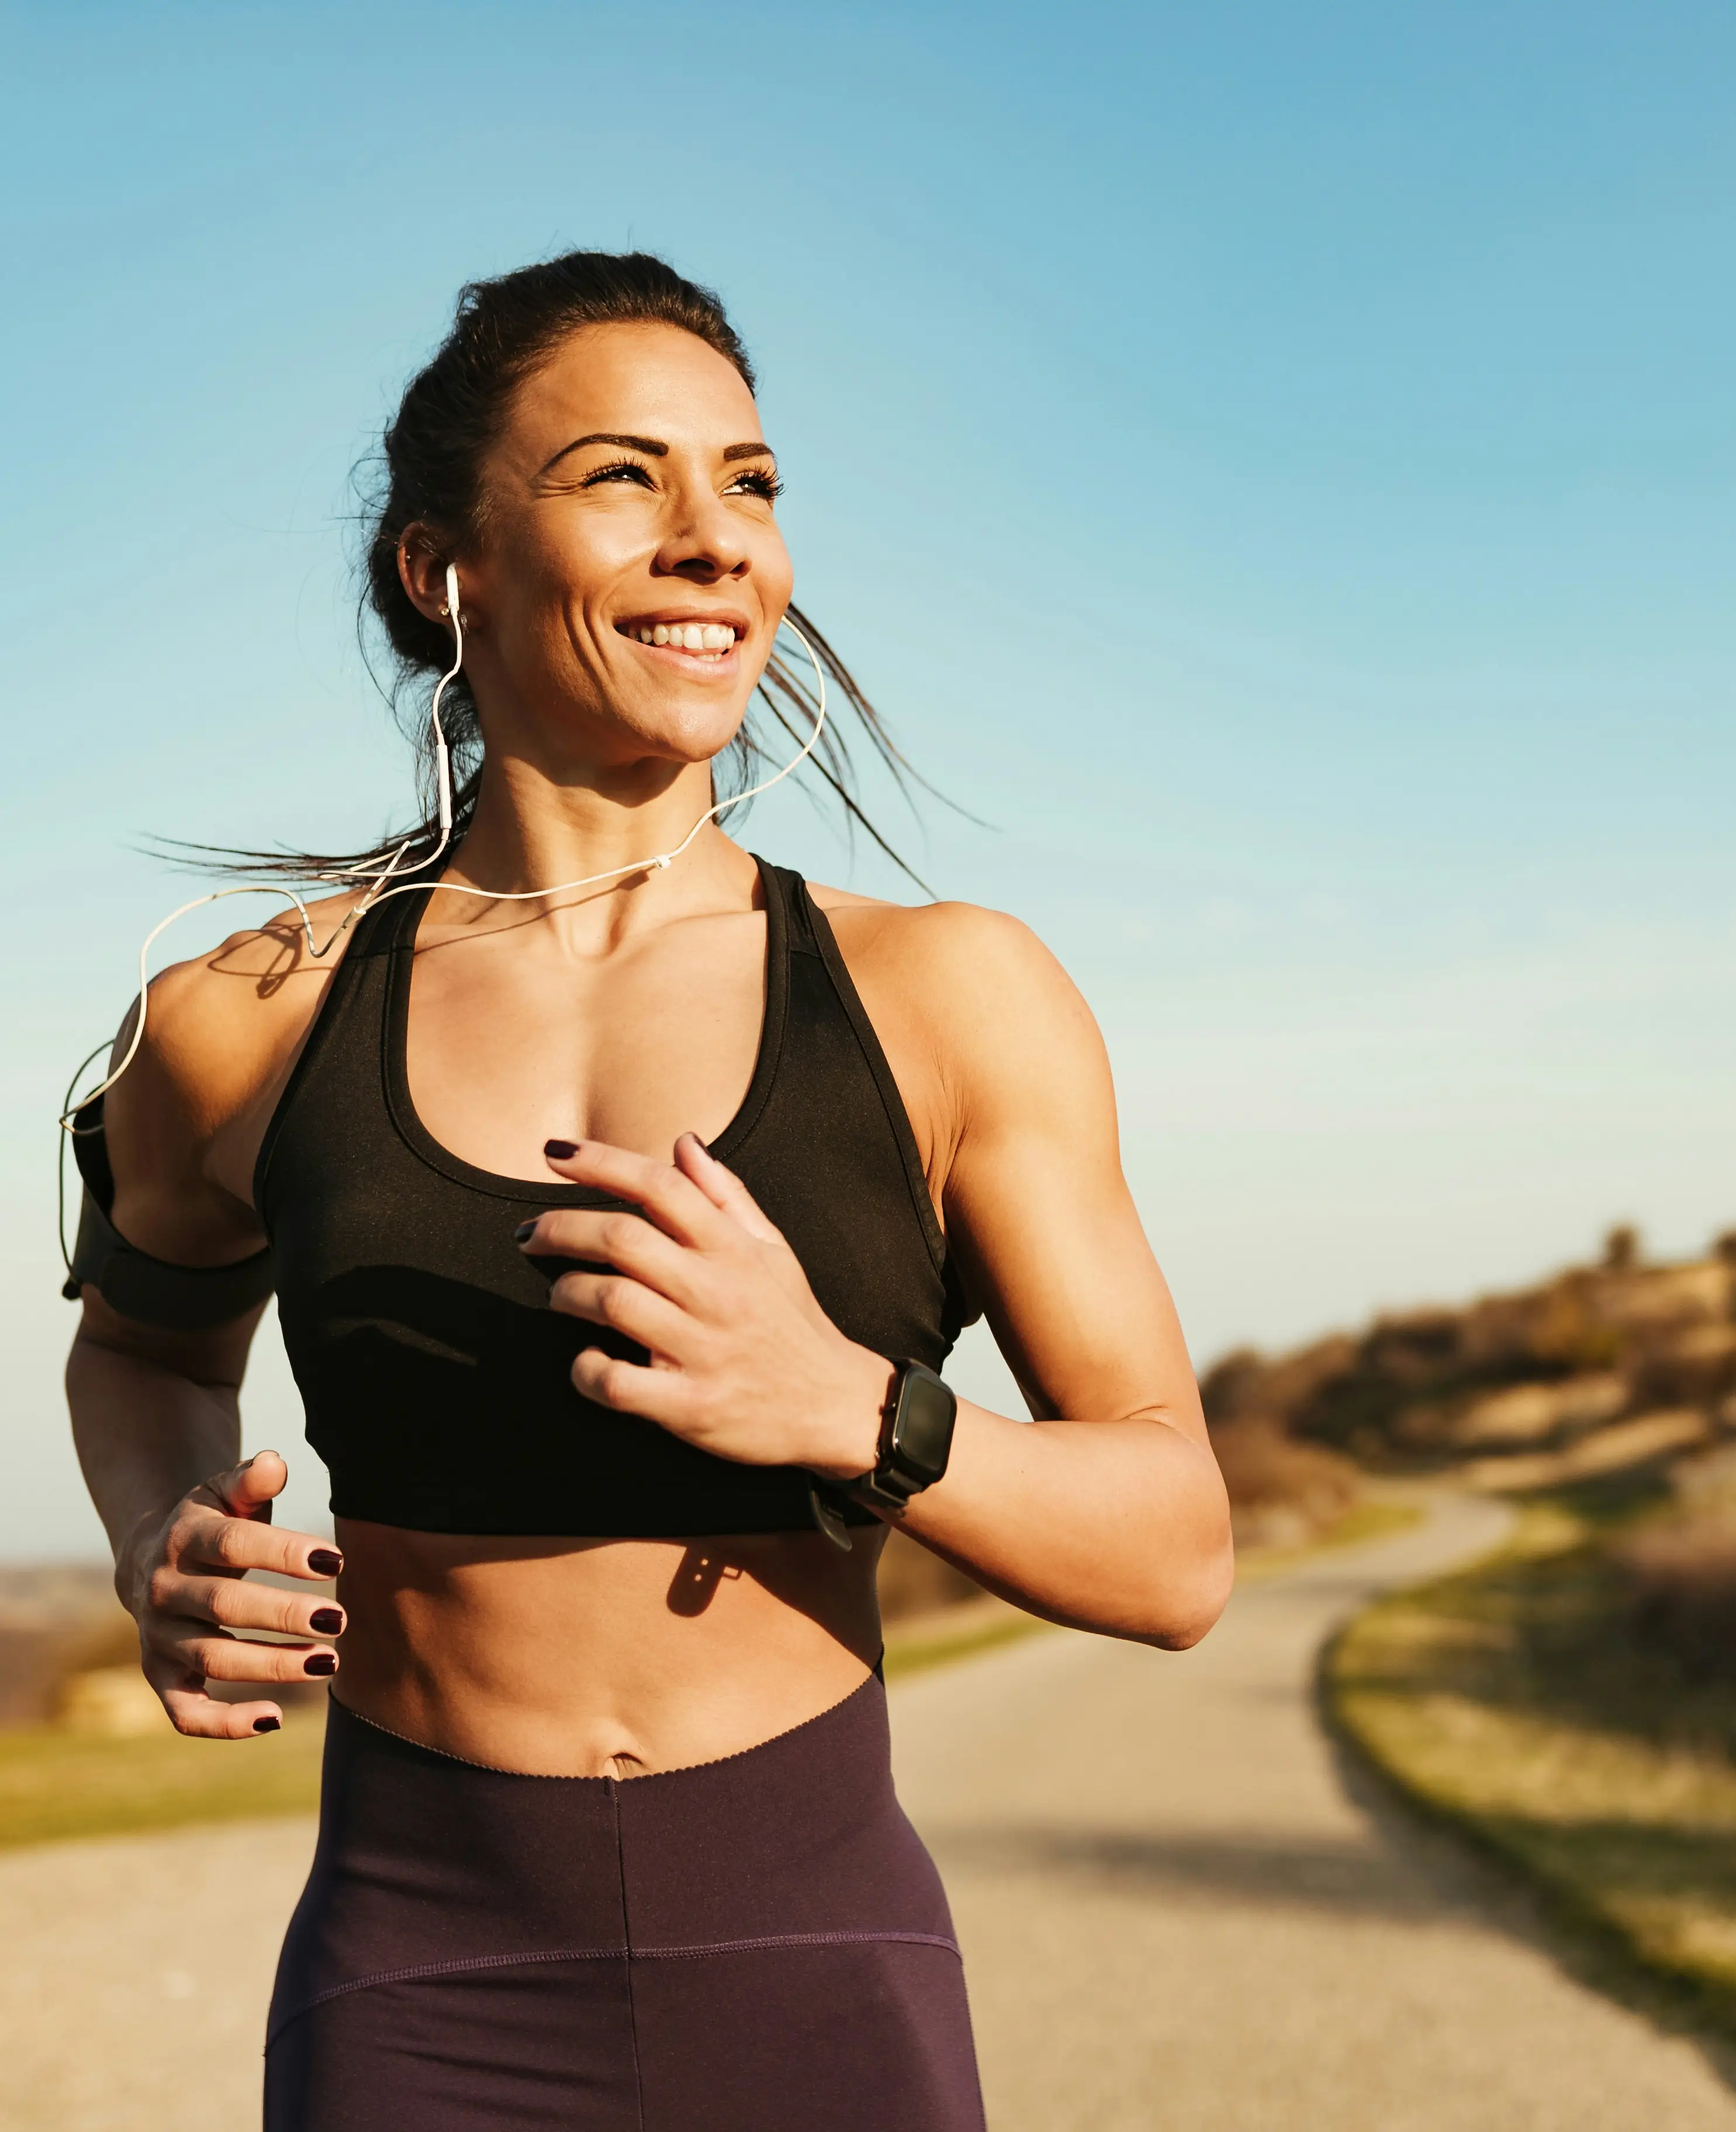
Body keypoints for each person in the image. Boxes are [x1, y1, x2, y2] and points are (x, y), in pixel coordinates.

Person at [64, 251, 1233, 2131]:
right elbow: (139, 1355)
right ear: (442, 567)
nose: (716, 541)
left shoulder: (951, 995)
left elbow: (1178, 1550)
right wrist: (155, 1548)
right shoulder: (235, 1020)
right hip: (419, 1973)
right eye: (623, 475)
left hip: (813, 1953)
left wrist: (853, 1406)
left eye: (753, 484)